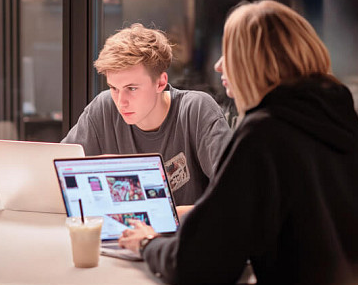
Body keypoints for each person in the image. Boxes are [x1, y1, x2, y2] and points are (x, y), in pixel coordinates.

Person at [118, 0, 358, 285]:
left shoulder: (262, 137)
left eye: (230, 53)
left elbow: (197, 264)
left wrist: (148, 243)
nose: (218, 65)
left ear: (256, 61)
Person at [62, 23, 231, 211]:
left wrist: (154, 215)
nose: (121, 101)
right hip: (122, 236)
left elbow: (233, 195)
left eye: (132, 89)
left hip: (187, 237)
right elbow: (58, 173)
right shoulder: (103, 108)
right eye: (113, 88)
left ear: (160, 82)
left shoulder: (197, 110)